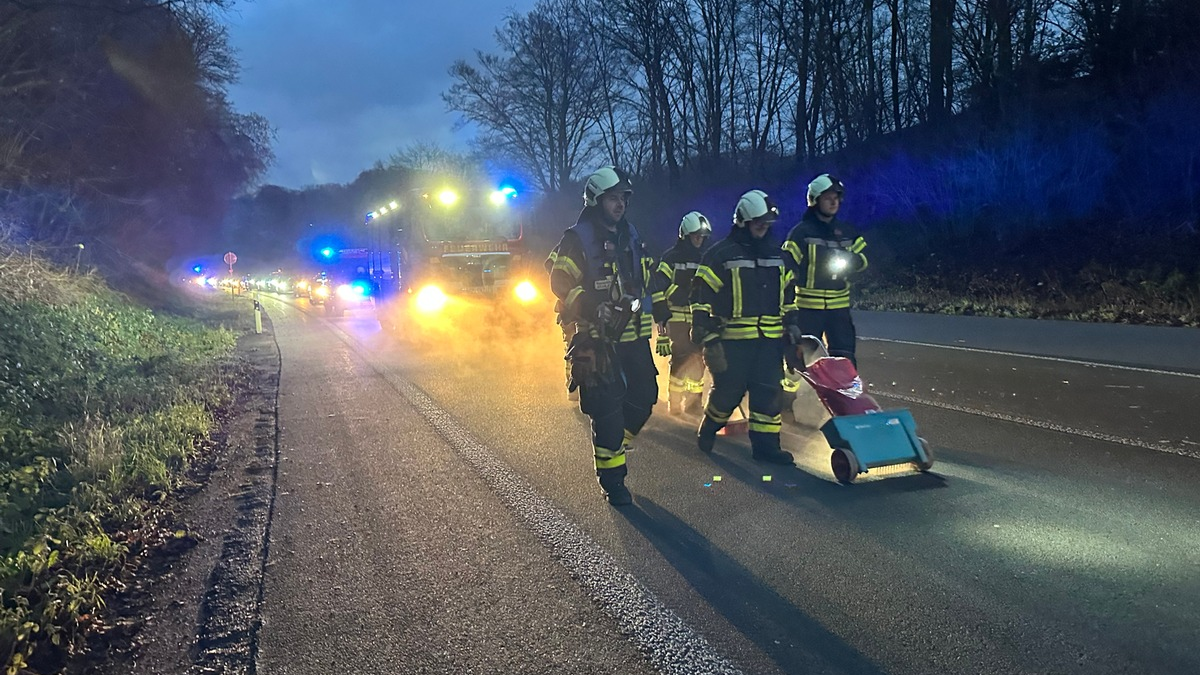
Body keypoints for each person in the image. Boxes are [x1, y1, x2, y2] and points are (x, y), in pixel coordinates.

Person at [547, 166, 658, 505]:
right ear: (596, 200)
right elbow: (559, 280)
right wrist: (594, 307)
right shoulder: (577, 238)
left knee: (645, 397)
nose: (620, 204)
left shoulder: (632, 233)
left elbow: (643, 272)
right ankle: (614, 483)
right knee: (607, 412)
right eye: (612, 198)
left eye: (623, 198)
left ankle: (615, 444)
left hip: (634, 336)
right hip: (598, 339)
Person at [691, 190, 797, 464]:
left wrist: (793, 325)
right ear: (743, 221)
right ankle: (710, 425)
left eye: (767, 223)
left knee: (769, 394)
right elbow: (701, 299)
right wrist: (709, 338)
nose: (763, 227)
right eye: (758, 222)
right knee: (728, 393)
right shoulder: (720, 255)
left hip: (769, 343)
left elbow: (788, 294)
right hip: (733, 343)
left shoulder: (778, 255)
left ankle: (766, 448)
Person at [781, 174, 868, 365]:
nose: (833, 202)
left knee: (845, 359)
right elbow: (785, 269)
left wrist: (852, 260)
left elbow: (867, 260)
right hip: (808, 310)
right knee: (799, 360)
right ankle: (789, 394)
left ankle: (842, 394)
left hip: (839, 310)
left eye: (836, 197)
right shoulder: (801, 233)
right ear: (814, 200)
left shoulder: (847, 232)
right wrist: (787, 305)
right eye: (828, 197)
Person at [650, 211, 713, 415]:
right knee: (680, 357)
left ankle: (694, 403)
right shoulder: (671, 257)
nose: (699, 240)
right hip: (676, 318)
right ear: (685, 235)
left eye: (702, 237)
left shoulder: (706, 258)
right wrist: (675, 293)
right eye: (696, 236)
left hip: (697, 317)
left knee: (698, 359)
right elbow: (659, 283)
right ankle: (675, 403)